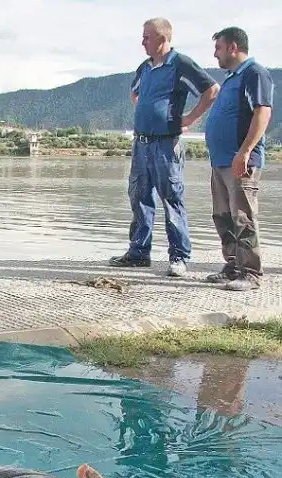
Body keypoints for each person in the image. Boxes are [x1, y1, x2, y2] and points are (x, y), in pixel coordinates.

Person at [109, 17, 219, 277]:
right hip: (141, 143)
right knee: (139, 197)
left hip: (166, 145)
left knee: (172, 199)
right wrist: (148, 111)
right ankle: (138, 253)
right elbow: (135, 93)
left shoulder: (180, 64)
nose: (142, 42)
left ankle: (179, 257)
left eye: (146, 37)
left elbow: (212, 89)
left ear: (162, 38)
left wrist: (189, 119)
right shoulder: (145, 67)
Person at [204, 27, 274, 291]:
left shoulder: (254, 73)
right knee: (223, 216)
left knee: (243, 217)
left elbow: (262, 113)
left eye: (218, 48)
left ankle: (251, 273)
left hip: (240, 160)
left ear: (233, 47)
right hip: (220, 161)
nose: (215, 54)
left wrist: (244, 152)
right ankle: (233, 265)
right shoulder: (231, 77)